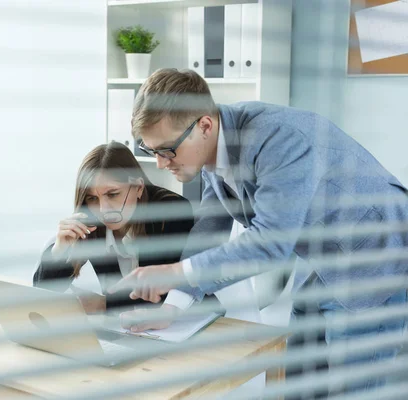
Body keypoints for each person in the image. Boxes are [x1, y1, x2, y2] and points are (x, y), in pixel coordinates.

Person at [108, 68, 408, 394]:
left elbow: (270, 243)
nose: (162, 164)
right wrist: (172, 307)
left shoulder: (279, 140)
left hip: (377, 252)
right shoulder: (211, 149)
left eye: (167, 150)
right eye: (151, 152)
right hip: (325, 253)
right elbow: (209, 229)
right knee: (299, 369)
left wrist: (176, 271)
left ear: (204, 126)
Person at [33, 141, 203, 332]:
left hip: (189, 323)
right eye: (92, 198)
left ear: (138, 188)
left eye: (113, 194)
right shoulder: (89, 222)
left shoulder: (171, 211)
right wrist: (59, 250)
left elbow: (163, 295)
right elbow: (42, 290)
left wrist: (103, 304)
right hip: (132, 329)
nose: (103, 209)